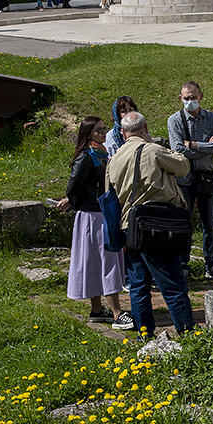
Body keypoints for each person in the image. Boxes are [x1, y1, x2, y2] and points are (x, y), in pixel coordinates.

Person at [107, 111, 194, 338]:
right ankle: (188, 335)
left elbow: (111, 192)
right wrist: (154, 143)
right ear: (145, 129)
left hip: (130, 227)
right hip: (157, 226)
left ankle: (144, 333)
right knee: (173, 283)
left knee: (138, 284)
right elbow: (183, 167)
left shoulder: (114, 159)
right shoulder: (153, 150)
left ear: (123, 133)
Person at [56, 116, 132, 330]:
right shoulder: (87, 157)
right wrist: (72, 201)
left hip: (100, 213)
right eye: (98, 130)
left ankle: (97, 310)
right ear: (88, 133)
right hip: (93, 215)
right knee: (105, 261)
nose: (103, 133)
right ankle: (117, 314)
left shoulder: (100, 154)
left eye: (104, 129)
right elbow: (74, 185)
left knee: (100, 261)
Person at [168, 80, 213, 283]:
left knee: (209, 225)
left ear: (201, 96)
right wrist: (205, 147)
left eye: (193, 98)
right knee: (184, 223)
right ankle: (182, 265)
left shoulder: (211, 118)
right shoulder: (175, 120)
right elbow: (178, 150)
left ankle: (212, 265)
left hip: (206, 177)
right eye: (186, 98)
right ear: (180, 98)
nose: (189, 102)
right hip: (183, 179)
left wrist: (193, 144)